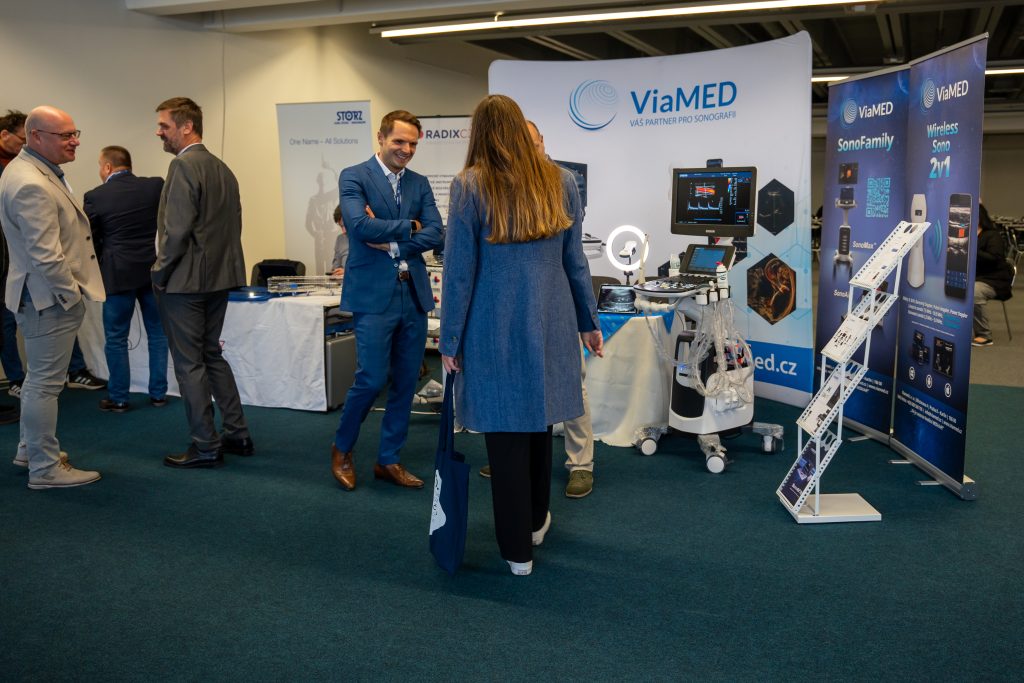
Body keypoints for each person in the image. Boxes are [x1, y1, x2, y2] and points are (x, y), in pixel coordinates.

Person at [440, 95, 603, 576]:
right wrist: (588, 321)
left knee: (506, 438)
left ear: (480, 133)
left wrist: (450, 340)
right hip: (551, 322)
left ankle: (517, 552)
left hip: (494, 327)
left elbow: (459, 272)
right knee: (539, 425)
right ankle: (534, 522)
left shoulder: (470, 185)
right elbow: (576, 261)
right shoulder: (561, 181)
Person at [477, 119, 597, 498]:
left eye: (532, 143)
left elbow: (574, 259)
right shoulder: (499, 186)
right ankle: (515, 456)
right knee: (514, 383)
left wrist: (587, 319)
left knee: (570, 384)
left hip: (555, 310)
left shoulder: (562, 184)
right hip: (514, 313)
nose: (527, 151)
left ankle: (580, 463)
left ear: (542, 141)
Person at [330, 110, 443, 491]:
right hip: (372, 296)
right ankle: (342, 448)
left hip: (412, 294)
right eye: (399, 141)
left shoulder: (419, 183)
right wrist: (411, 226)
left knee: (406, 381)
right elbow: (359, 226)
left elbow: (437, 233)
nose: (406, 150)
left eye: (412, 144)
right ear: (381, 138)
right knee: (371, 379)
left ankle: (388, 459)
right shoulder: (354, 176)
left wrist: (393, 241)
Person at [0, 106, 105, 488]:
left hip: (38, 297)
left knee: (37, 382)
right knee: (45, 385)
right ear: (36, 136)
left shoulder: (29, 171)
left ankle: (29, 451)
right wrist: (70, 295)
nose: (74, 141)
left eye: (75, 133)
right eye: (65, 135)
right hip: (48, 299)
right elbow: (46, 255)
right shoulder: (31, 182)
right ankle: (44, 468)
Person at [153, 96, 252, 468]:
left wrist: (159, 271)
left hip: (185, 282)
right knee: (211, 354)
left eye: (164, 125)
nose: (159, 132)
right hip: (219, 279)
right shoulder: (223, 168)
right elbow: (233, 227)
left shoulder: (182, 166)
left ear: (186, 127)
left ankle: (206, 445)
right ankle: (237, 433)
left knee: (189, 363)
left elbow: (176, 231)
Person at [83, 145, 167, 412]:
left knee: (116, 338)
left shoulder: (95, 196)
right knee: (158, 333)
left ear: (108, 167)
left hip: (117, 274)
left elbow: (91, 238)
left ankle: (119, 398)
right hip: (153, 271)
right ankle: (159, 394)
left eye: (100, 166)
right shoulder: (155, 186)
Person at [0, 109, 25, 425]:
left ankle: (17, 379)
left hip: (9, 260)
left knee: (6, 323)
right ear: (4, 134)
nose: (24, 146)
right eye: (21, 139)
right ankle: (17, 379)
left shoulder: (16, 167)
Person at [972, 203, 1014, 347]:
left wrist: (972, 249)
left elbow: (994, 259)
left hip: (994, 281)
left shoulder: (992, 236)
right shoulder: (967, 234)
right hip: (975, 278)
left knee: (974, 292)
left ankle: (984, 335)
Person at [329, 204, 348, 277]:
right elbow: (336, 266)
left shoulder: (367, 238)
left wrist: (347, 271)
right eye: (341, 226)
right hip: (342, 282)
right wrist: (335, 272)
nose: (343, 231)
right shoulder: (340, 239)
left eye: (345, 225)